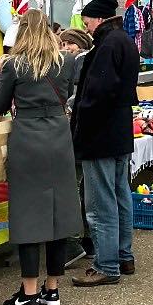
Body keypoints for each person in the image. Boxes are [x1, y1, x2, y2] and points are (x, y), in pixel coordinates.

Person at [0, 10, 80, 305]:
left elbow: (0, 105)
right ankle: (51, 290)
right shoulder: (66, 62)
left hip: (28, 139)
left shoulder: (15, 65)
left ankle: (28, 294)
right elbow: (68, 95)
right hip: (59, 138)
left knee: (28, 214)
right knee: (59, 213)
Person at [70, 0, 138, 287]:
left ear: (97, 19)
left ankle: (106, 264)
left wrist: (78, 117)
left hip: (100, 135)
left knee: (100, 203)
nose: (85, 27)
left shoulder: (107, 45)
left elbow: (97, 93)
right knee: (121, 195)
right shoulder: (123, 41)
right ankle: (123, 255)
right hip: (120, 131)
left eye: (86, 22)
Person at [58, 28, 94, 261]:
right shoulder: (90, 58)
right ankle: (89, 240)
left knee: (73, 186)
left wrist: (66, 109)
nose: (64, 48)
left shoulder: (80, 61)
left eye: (68, 43)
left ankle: (74, 243)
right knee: (85, 187)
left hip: (76, 132)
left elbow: (76, 95)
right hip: (88, 133)